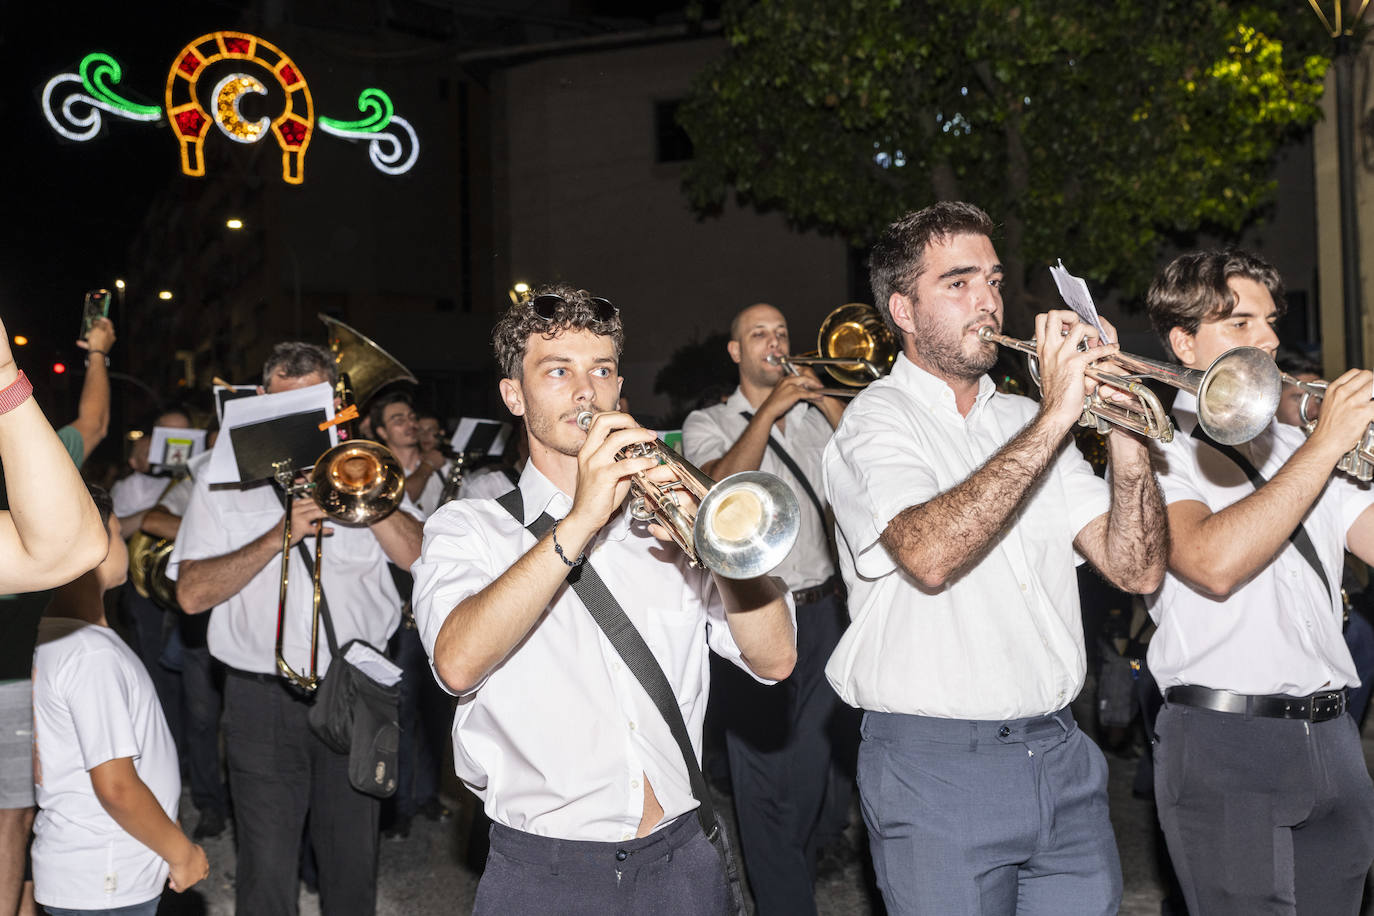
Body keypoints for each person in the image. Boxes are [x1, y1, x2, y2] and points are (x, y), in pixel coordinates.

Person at [822, 201, 1167, 916]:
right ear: (904, 311)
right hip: (936, 769)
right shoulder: (874, 420)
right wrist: (1059, 414)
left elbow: (1136, 568)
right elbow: (929, 554)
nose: (988, 300)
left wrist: (1126, 432)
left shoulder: (1024, 421)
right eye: (958, 283)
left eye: (994, 280)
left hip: (1062, 756)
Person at [411, 285, 796, 914]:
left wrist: (719, 548)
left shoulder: (669, 519)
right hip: (544, 871)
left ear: (619, 388)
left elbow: (776, 660)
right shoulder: (470, 527)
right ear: (514, 395)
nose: (585, 390)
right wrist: (582, 518)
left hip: (683, 857)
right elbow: (456, 662)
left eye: (601, 370)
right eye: (557, 371)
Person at [1143, 249, 1374, 915]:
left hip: (1333, 734)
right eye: (1241, 323)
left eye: (1270, 321)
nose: (1269, 339)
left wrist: (1330, 445)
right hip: (1227, 743)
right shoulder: (1158, 450)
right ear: (1184, 343)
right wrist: (1325, 446)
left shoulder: (1299, 446)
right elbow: (1212, 564)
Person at [169, 342, 424, 916]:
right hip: (259, 700)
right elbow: (191, 594)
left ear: (334, 404)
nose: (298, 424)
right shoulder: (220, 480)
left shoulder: (366, 465)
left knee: (353, 869)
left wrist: (366, 494)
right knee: (265, 875)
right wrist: (277, 535)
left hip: (356, 693)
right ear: (258, 401)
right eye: (283, 408)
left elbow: (420, 560)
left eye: (312, 409)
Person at [681, 302, 852, 915]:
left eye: (781, 332)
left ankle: (793, 872)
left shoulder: (813, 418)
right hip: (753, 617)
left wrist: (828, 403)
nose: (775, 342)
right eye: (759, 334)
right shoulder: (708, 420)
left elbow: (867, 472)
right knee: (761, 782)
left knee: (811, 771)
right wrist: (768, 413)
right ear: (736, 351)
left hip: (824, 612)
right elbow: (715, 487)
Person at [31, 483, 208, 915]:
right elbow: (115, 787)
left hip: (90, 868)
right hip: (106, 876)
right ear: (92, 545)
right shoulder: (90, 654)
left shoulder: (52, 638)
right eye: (114, 531)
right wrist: (182, 852)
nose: (124, 541)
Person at [0, 314, 115, 916]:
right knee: (11, 819)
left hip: (18, 673)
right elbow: (93, 424)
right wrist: (97, 353)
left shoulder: (29, 461)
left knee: (15, 816)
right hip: (14, 676)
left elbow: (68, 549)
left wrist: (5, 378)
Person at [367, 390, 453, 838]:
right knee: (399, 711)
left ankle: (426, 794)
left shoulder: (441, 466)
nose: (409, 423)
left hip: (438, 598)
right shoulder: (381, 471)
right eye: (397, 418)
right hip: (400, 604)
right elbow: (403, 505)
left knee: (435, 709)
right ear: (381, 431)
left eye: (410, 416)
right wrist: (427, 469)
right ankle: (396, 805)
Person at [141, 446, 230, 840]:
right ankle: (210, 804)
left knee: (243, 722)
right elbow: (153, 519)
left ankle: (243, 801)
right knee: (202, 719)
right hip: (201, 625)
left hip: (252, 621)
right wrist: (212, 533)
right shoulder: (196, 480)